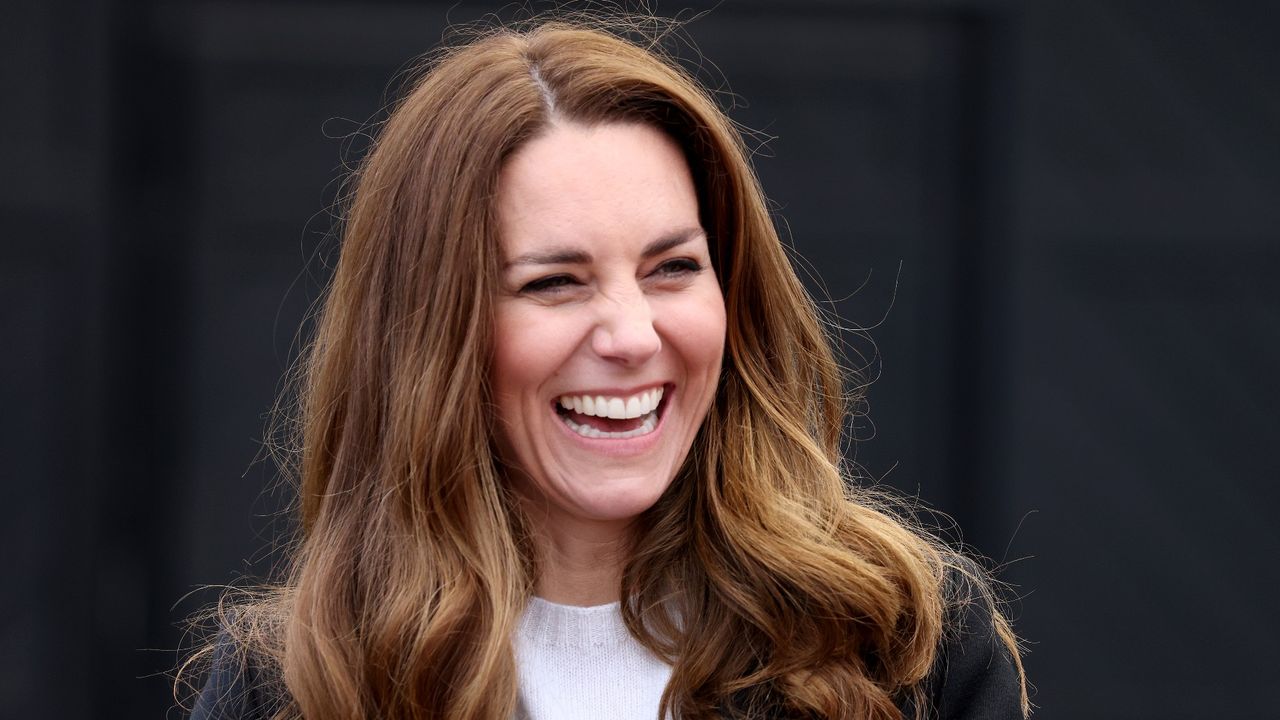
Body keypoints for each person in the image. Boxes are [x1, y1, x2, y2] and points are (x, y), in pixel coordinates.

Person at [183, 15, 1028, 720]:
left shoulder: (903, 646)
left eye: (673, 268)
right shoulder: (290, 690)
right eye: (555, 282)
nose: (631, 334)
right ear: (431, 336)